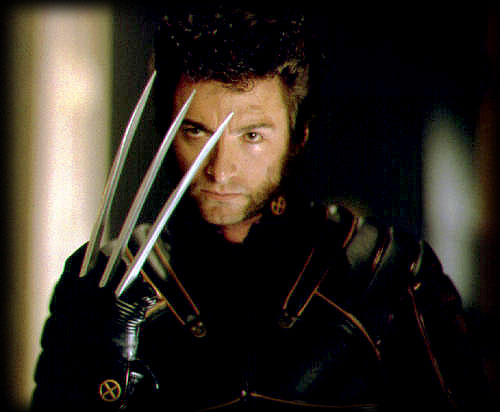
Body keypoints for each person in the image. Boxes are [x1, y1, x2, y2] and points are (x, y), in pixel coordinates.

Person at [31, 5, 491, 412]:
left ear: (298, 134)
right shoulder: (107, 280)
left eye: (251, 136)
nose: (219, 169)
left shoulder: (387, 271)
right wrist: (103, 385)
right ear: (165, 131)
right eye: (195, 131)